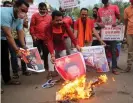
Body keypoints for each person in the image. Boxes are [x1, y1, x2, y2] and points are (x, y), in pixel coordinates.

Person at [43, 10, 81, 78]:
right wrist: (52, 54)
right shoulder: (48, 27)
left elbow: (71, 34)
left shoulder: (64, 24)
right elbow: (49, 41)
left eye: (60, 20)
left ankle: (63, 71)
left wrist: (76, 44)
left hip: (60, 42)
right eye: (57, 20)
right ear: (52, 19)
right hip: (51, 43)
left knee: (63, 56)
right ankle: (51, 72)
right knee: (51, 56)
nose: (59, 22)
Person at [1, 0, 29, 85]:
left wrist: (23, 46)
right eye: (22, 10)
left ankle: (7, 80)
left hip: (3, 38)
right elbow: (8, 35)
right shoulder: (5, 14)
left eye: (26, 12)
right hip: (5, 35)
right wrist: (17, 50)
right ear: (15, 6)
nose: (23, 13)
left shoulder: (19, 18)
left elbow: (20, 32)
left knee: (4, 59)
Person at [97, 0, 121, 75]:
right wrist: (99, 24)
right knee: (104, 51)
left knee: (113, 50)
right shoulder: (99, 10)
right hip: (104, 34)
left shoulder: (114, 7)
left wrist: (116, 23)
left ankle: (114, 68)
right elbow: (97, 21)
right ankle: (105, 66)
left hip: (112, 34)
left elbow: (119, 18)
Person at [30, 2, 52, 71]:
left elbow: (51, 27)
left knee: (46, 53)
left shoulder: (49, 17)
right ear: (38, 9)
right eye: (41, 9)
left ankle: (46, 66)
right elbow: (32, 26)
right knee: (36, 53)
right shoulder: (34, 15)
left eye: (44, 9)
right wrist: (33, 35)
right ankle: (37, 67)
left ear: (46, 9)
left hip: (46, 38)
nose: (42, 11)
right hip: (37, 37)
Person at [9, 15, 31, 79]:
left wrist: (24, 21)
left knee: (23, 53)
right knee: (13, 55)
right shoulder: (8, 16)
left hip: (21, 37)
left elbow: (26, 26)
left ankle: (24, 70)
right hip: (11, 38)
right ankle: (15, 72)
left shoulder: (22, 14)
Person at [123, 0, 133, 72]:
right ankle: (129, 66)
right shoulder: (127, 9)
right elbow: (126, 22)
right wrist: (125, 33)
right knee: (130, 50)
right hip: (130, 32)